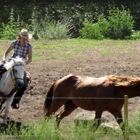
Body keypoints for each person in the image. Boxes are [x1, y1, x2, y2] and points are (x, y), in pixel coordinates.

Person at [0, 29, 33, 109]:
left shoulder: (29, 46)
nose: (25, 39)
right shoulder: (15, 43)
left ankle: (15, 101)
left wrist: (23, 64)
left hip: (21, 65)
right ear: (20, 37)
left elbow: (30, 59)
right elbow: (6, 52)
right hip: (11, 62)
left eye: (26, 38)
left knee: (24, 84)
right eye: (23, 37)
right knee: (0, 69)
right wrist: (4, 58)